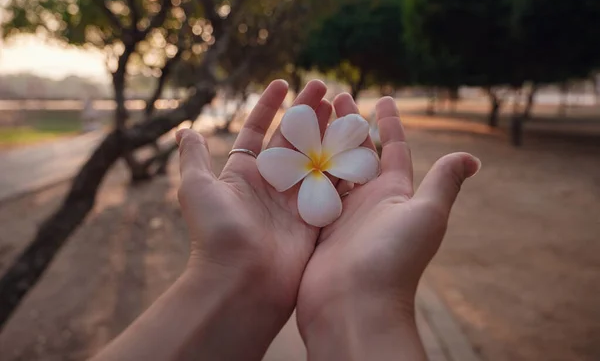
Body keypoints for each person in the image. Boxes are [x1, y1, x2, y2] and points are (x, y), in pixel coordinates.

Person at [91, 80, 480, 361]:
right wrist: (363, 304)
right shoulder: (288, 160)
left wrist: (227, 276)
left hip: (317, 171)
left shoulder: (340, 162)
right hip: (312, 170)